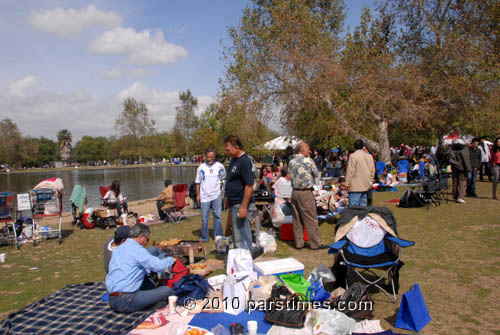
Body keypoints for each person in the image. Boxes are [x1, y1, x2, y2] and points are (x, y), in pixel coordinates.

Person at [106, 224, 174, 313]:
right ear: (142, 237)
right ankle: (151, 309)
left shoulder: (119, 248)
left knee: (149, 284)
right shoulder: (137, 249)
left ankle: (147, 305)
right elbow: (158, 266)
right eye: (147, 239)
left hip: (112, 299)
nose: (146, 242)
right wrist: (171, 259)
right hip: (126, 300)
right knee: (167, 291)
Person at [288, 142, 326, 250]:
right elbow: (316, 173)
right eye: (308, 149)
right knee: (311, 218)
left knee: (297, 219)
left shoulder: (291, 162)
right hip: (305, 192)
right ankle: (315, 244)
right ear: (303, 150)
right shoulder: (308, 161)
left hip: (294, 192)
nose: (309, 151)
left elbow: (290, 174)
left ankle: (299, 243)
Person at [224, 135, 257, 253]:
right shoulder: (234, 160)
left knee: (242, 236)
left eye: (228, 149)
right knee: (236, 236)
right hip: (234, 203)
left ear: (236, 147)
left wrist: (243, 207)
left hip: (241, 204)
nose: (226, 152)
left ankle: (246, 262)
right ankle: (239, 262)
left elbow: (249, 185)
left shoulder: (244, 162)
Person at [195, 148, 226, 242]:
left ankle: (218, 236)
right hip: (204, 196)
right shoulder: (201, 167)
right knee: (204, 218)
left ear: (214, 156)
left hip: (217, 195)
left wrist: (223, 192)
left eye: (211, 157)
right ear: (205, 156)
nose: (209, 159)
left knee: (218, 216)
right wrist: (198, 194)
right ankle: (205, 237)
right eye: (207, 157)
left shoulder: (220, 166)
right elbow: (197, 182)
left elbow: (223, 179)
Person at [345, 140, 375, 207]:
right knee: (363, 205)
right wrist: (370, 181)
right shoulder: (369, 156)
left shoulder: (353, 156)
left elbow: (350, 171)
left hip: (355, 185)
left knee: (353, 206)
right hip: (366, 184)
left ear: (354, 146)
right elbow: (373, 170)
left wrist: (347, 184)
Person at [450, 139, 471, 203]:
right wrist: (468, 169)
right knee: (462, 182)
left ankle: (455, 196)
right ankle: (461, 197)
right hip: (462, 168)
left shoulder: (452, 149)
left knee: (455, 181)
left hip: (454, 167)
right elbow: (466, 160)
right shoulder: (464, 149)